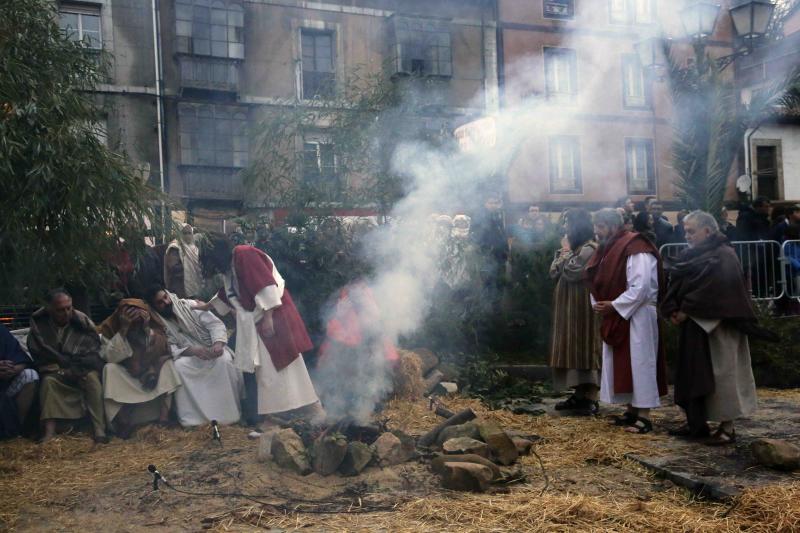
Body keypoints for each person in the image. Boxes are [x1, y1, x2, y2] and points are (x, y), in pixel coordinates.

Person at [198, 233, 323, 427]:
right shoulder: (233, 263)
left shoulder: (244, 254)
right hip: (260, 319)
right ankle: (276, 416)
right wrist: (207, 306)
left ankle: (313, 410)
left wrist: (269, 318)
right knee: (268, 372)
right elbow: (230, 291)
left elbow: (265, 285)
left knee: (286, 366)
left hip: (274, 315)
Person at [661, 211, 759, 445]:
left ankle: (727, 427)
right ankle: (697, 421)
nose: (687, 236)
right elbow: (677, 284)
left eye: (691, 231)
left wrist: (688, 310)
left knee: (723, 375)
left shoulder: (725, 255)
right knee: (692, 374)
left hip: (719, 326)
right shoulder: (689, 255)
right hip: (693, 327)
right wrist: (673, 308)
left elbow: (721, 289)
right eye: (686, 231)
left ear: (707, 230)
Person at [585, 209, 668, 434]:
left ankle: (644, 417)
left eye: (600, 227)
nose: (596, 232)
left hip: (638, 313)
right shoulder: (608, 248)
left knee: (640, 362)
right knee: (624, 363)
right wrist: (601, 302)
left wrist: (614, 304)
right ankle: (631, 410)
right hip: (619, 311)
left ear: (612, 226)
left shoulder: (636, 246)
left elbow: (641, 286)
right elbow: (597, 278)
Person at [146, 286, 244, 427]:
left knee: (225, 360)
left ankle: (230, 416)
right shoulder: (158, 323)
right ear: (155, 306)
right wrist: (192, 350)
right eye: (160, 302)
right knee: (179, 367)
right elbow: (169, 348)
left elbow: (215, 325)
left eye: (165, 297)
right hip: (188, 355)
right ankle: (194, 421)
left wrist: (217, 345)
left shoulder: (191, 305)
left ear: (169, 294)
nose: (166, 302)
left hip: (212, 349)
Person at [27, 289, 108, 443]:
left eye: (68, 308)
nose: (66, 313)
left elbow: (94, 353)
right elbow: (40, 357)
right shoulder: (39, 329)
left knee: (92, 379)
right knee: (48, 383)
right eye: (60, 310)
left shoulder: (83, 324)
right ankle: (49, 432)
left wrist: (75, 369)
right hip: (55, 372)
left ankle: (100, 430)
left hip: (82, 370)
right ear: (50, 309)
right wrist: (61, 369)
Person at [97, 299, 181, 438]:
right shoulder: (111, 327)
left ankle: (163, 418)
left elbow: (162, 348)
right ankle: (123, 422)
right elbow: (110, 357)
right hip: (127, 374)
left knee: (168, 365)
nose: (134, 324)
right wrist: (124, 329)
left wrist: (147, 328)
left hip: (150, 371)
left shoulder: (152, 324)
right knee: (109, 369)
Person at [548, 209, 601, 414]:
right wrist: (564, 254)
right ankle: (579, 394)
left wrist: (566, 253)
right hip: (569, 307)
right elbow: (553, 271)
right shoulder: (575, 248)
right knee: (571, 348)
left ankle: (590, 397)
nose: (564, 228)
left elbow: (573, 271)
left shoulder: (589, 248)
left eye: (568, 224)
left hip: (582, 308)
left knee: (584, 348)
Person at [1, 325, 38, 439]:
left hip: (5, 386)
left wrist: (12, 370)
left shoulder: (1, 332)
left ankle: (17, 431)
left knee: (30, 375)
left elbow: (22, 359)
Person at [164, 223, 203, 299]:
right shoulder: (175, 247)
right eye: (184, 233)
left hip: (194, 285)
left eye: (189, 233)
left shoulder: (194, 247)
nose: (187, 236)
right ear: (179, 234)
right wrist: (186, 267)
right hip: (179, 286)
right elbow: (173, 267)